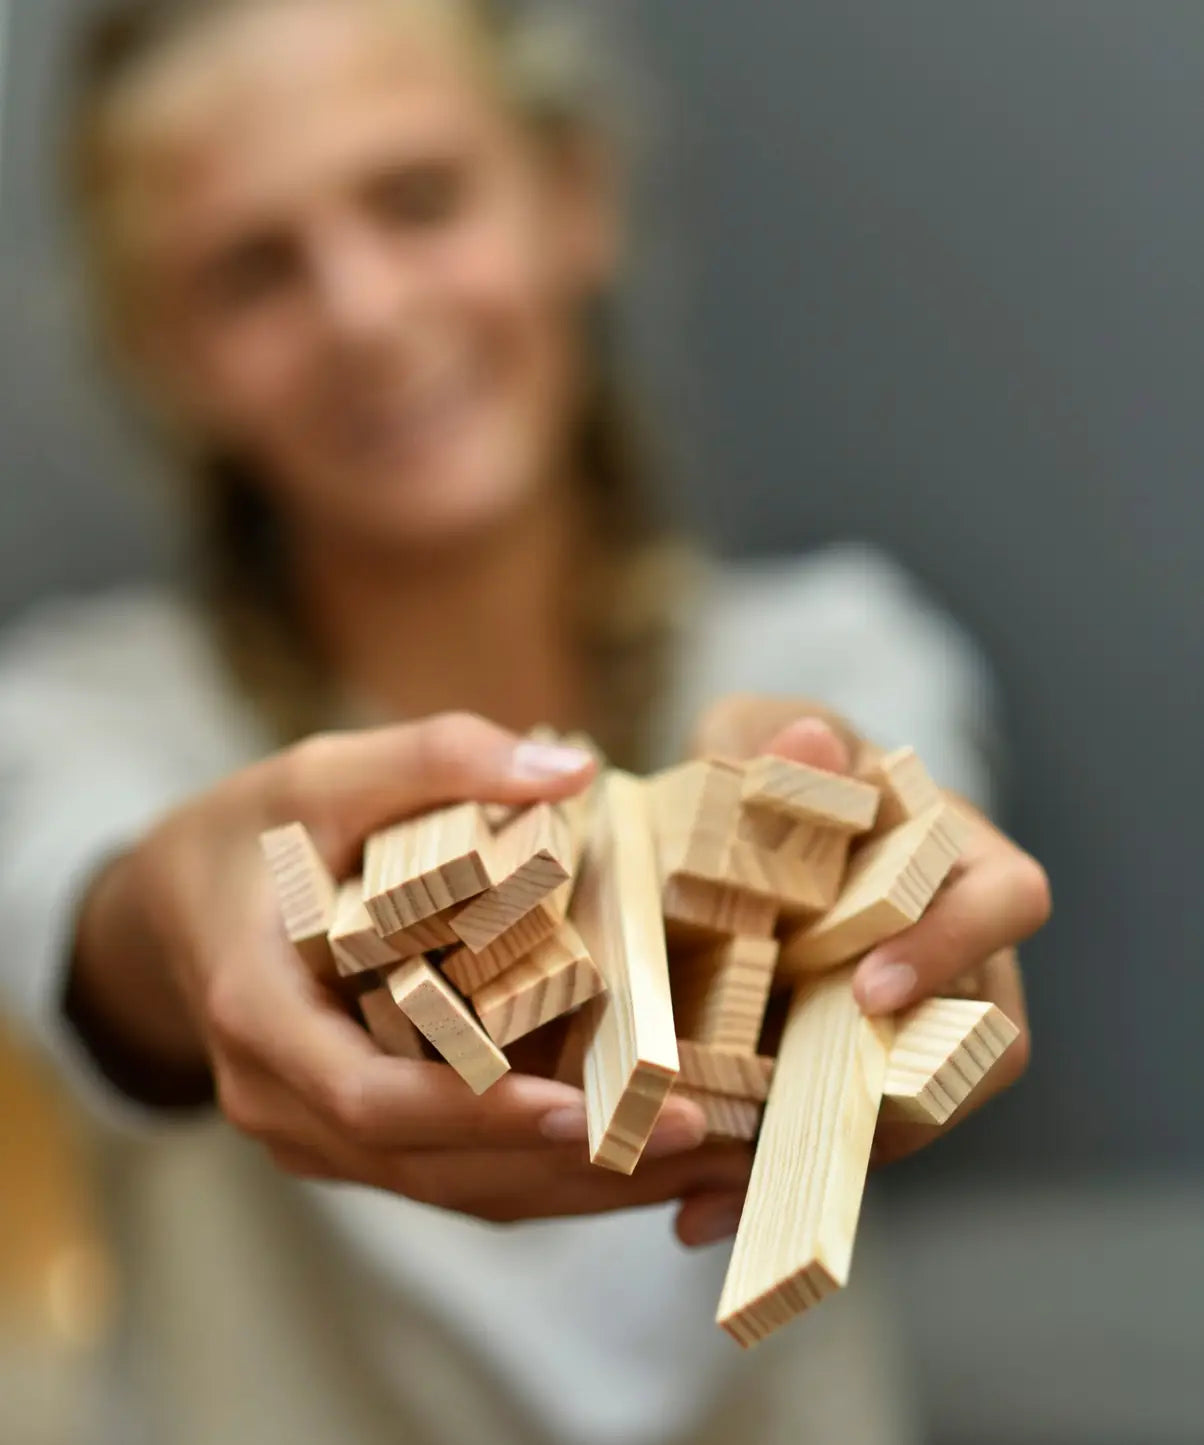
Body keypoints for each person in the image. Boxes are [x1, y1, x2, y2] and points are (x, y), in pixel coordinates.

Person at [0, 2, 1049, 1442]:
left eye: (419, 198)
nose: (365, 311)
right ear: (163, 350)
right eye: (254, 272)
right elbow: (99, 917)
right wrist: (194, 914)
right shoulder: (79, 712)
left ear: (573, 196)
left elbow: (861, 778)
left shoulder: (833, 634)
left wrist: (834, 822)